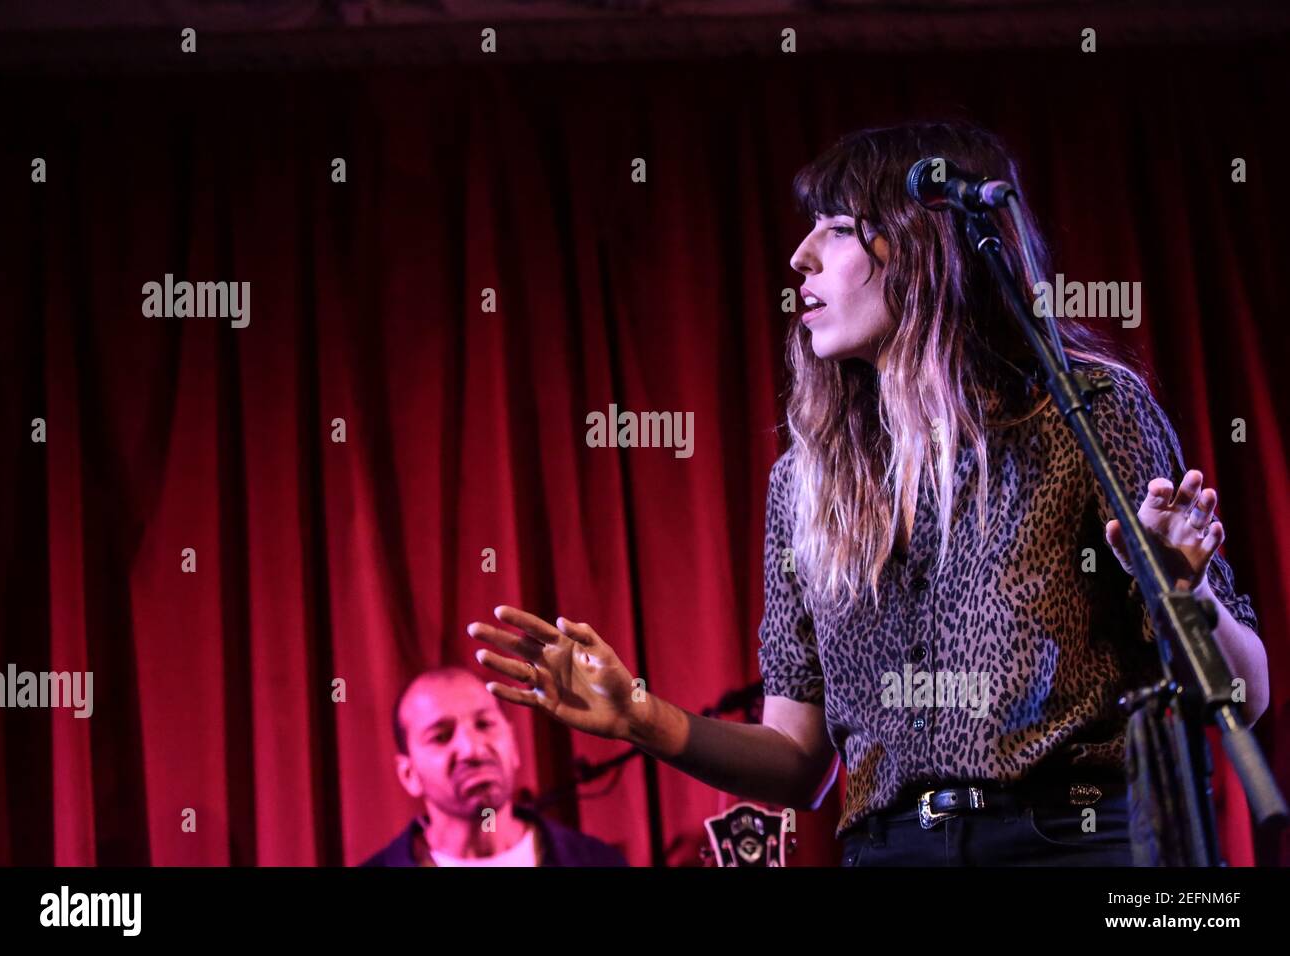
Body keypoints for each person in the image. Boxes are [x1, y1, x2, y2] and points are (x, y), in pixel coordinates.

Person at [466, 121, 1268, 866]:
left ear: (925, 247)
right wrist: (645, 718)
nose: (801, 257)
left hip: (1076, 842)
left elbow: (1245, 695)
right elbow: (798, 760)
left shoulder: (1087, 412)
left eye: (838, 229)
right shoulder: (805, 481)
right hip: (892, 850)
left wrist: (1184, 587)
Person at [361, 667, 627, 866]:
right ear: (409, 774)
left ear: (514, 746)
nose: (472, 750)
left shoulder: (597, 861)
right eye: (441, 736)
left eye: (484, 725)